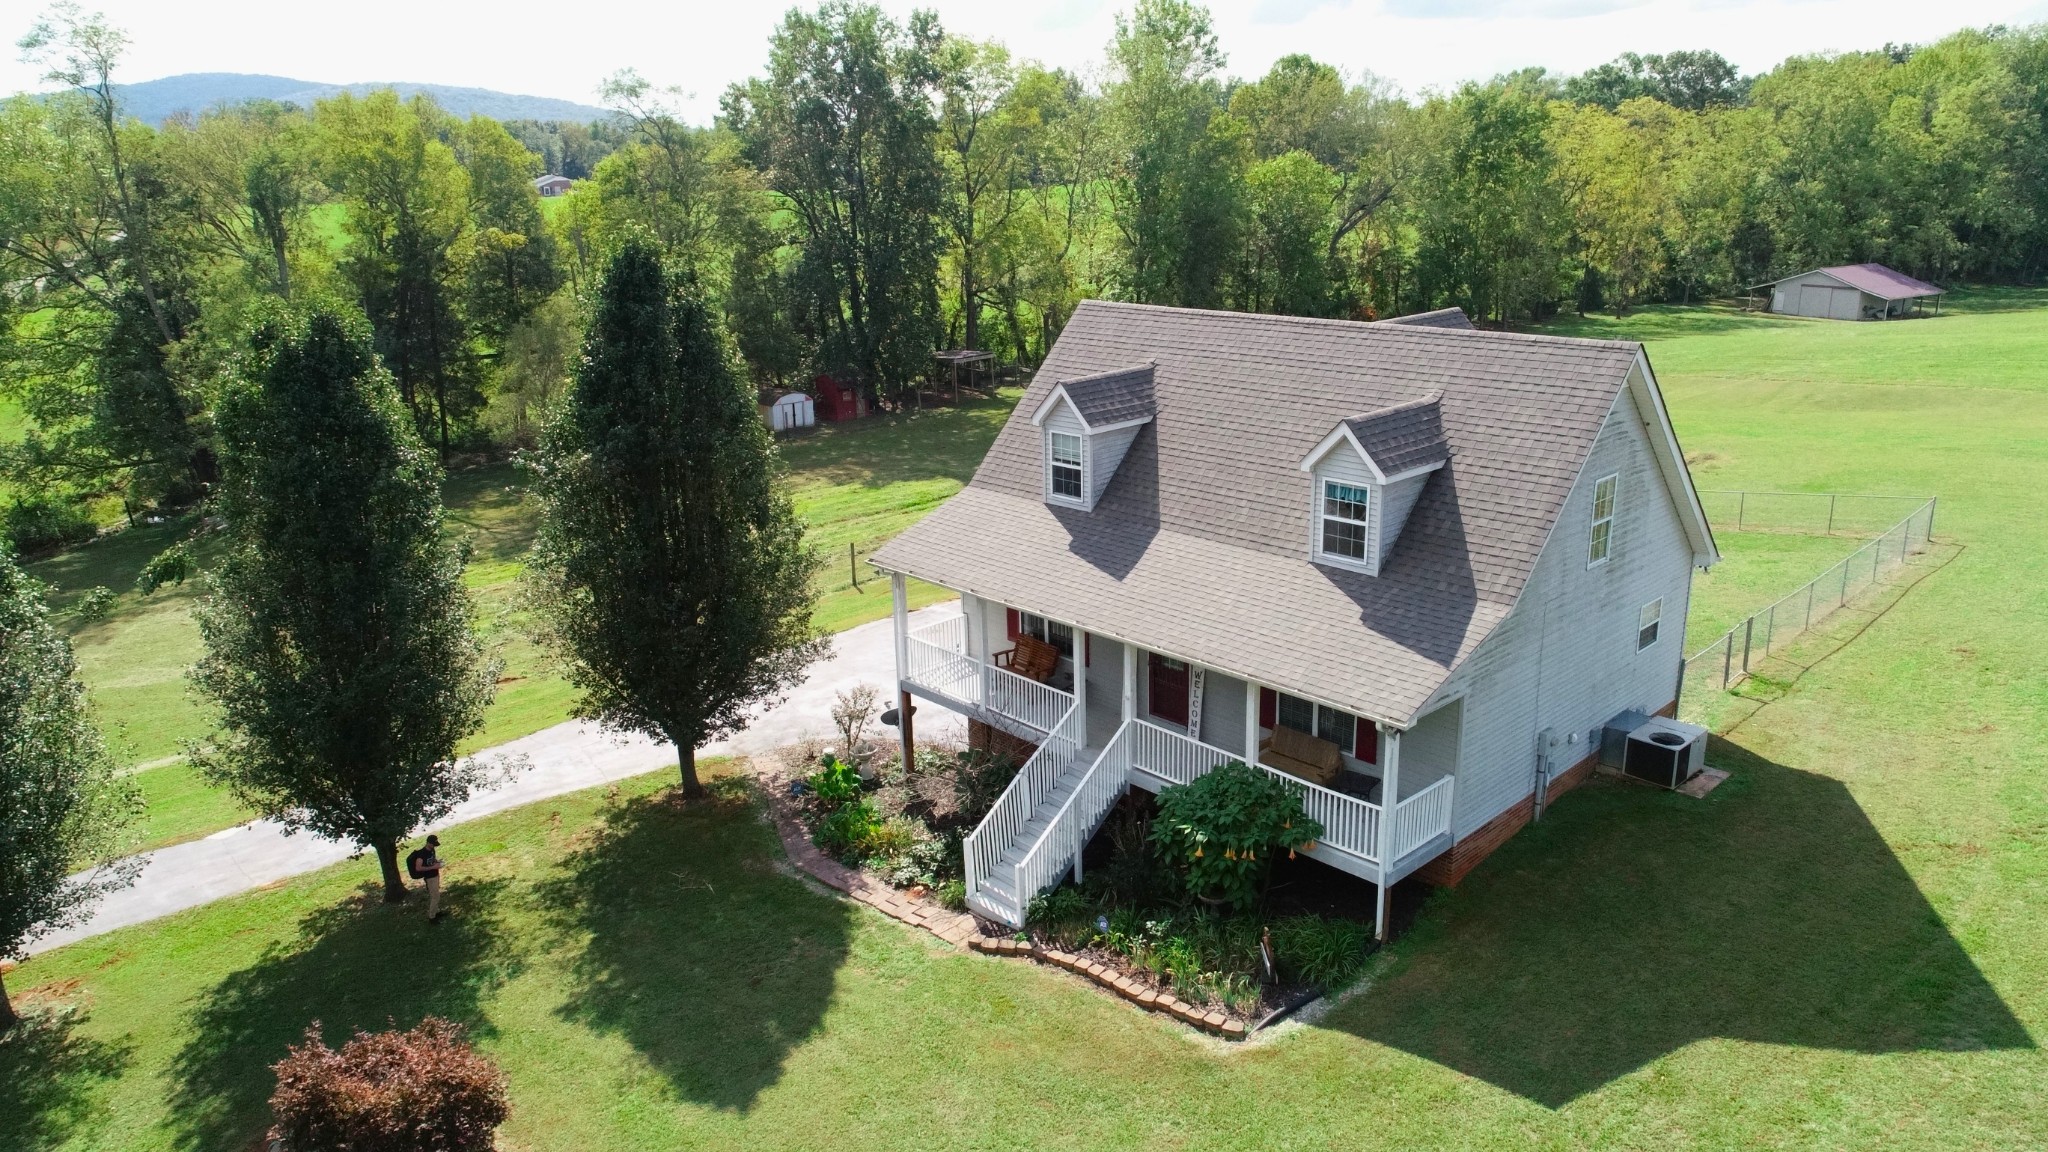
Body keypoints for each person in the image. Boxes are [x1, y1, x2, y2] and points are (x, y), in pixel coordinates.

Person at [406, 835, 446, 922]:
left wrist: (438, 862)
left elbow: (432, 860)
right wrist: (433, 867)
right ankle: (432, 917)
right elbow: (418, 868)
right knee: (435, 897)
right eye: (433, 844)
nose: (434, 846)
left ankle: (437, 911)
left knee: (435, 895)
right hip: (430, 877)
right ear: (428, 843)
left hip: (435, 875)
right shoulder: (421, 855)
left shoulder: (432, 850)